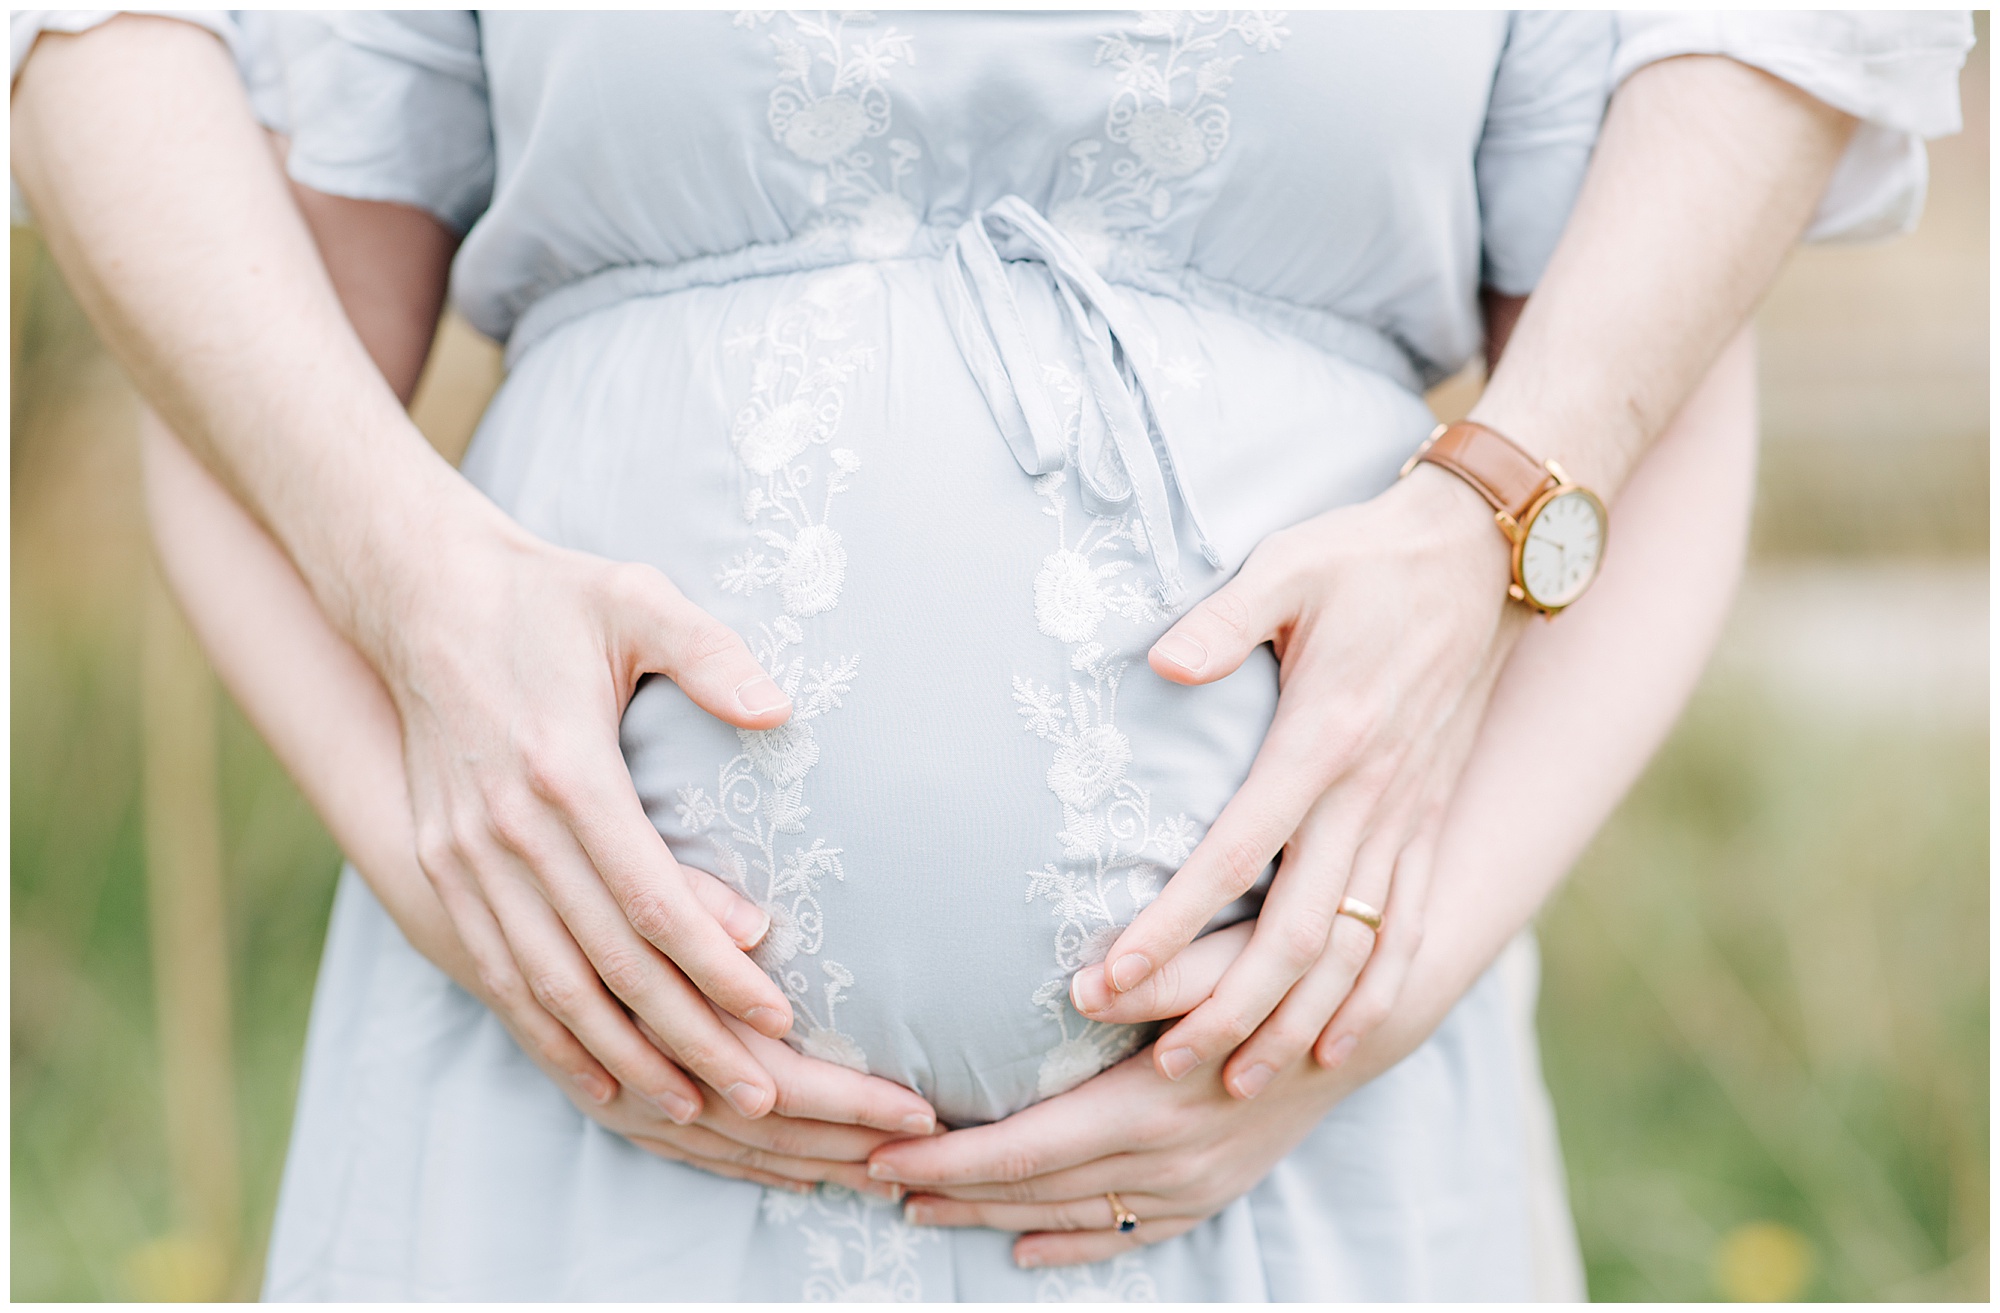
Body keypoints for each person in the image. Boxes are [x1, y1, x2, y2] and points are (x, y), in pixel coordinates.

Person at [11, 10, 1970, 1300]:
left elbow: (1631, 409)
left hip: (1284, 1182)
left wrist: (1379, 982)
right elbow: (258, 386)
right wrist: (482, 881)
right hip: (570, 1152)